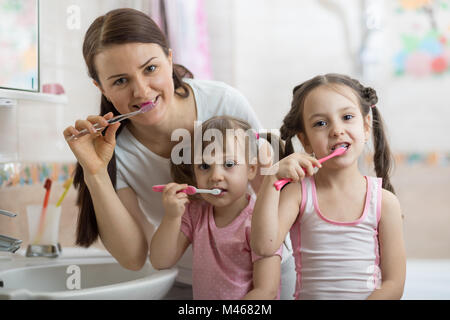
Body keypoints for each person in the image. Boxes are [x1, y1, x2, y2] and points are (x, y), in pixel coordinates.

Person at [62, 8, 296, 298]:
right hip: (191, 283)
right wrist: (95, 173)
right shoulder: (114, 151)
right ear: (101, 88)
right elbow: (134, 258)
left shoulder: (223, 101)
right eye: (120, 81)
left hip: (263, 273)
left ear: (169, 60)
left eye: (150, 69)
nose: (142, 92)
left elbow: (274, 194)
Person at [251, 73, 406, 300]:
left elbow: (394, 285)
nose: (336, 130)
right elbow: (264, 246)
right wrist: (271, 178)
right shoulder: (298, 194)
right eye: (320, 123)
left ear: (365, 127)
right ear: (305, 140)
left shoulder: (385, 202)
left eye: (347, 117)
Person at [150, 116, 283, 299]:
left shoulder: (260, 222)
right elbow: (160, 261)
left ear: (251, 169)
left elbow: (266, 291)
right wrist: (171, 217)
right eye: (204, 166)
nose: (215, 176)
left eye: (228, 164)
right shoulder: (195, 212)